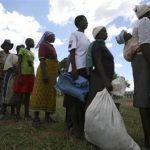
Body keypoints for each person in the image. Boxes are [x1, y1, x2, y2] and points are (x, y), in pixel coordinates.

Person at [67, 15, 90, 139]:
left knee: (83, 101)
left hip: (85, 71)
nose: (86, 22)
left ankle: (82, 127)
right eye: (84, 21)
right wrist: (74, 69)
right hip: (77, 70)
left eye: (87, 20)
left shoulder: (86, 38)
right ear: (78, 23)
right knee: (75, 102)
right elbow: (72, 52)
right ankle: (75, 129)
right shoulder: (74, 35)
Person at [30, 31, 58, 128]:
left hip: (52, 72)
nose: (55, 37)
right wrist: (45, 74)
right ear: (48, 37)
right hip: (44, 70)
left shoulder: (51, 46)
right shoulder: (43, 45)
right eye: (53, 36)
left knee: (49, 93)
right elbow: (42, 60)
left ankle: (47, 116)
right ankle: (36, 118)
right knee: (40, 91)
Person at [132, 4, 150, 149]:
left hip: (144, 60)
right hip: (143, 60)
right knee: (144, 101)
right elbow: (145, 46)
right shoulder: (144, 21)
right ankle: (148, 141)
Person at [85, 26, 114, 109]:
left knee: (99, 104)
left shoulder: (101, 45)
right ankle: (89, 121)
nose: (106, 33)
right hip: (99, 78)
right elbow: (98, 62)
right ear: (98, 34)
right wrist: (105, 80)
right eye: (104, 31)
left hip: (101, 78)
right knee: (94, 103)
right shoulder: (97, 44)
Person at [14, 38, 35, 121]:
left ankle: (26, 114)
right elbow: (19, 62)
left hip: (30, 75)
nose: (33, 43)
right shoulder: (22, 50)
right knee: (20, 95)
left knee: (27, 96)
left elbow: (31, 64)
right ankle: (17, 114)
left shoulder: (32, 53)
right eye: (32, 42)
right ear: (27, 42)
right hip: (23, 74)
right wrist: (20, 75)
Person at [0, 39, 14, 119]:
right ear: (4, 45)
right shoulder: (0, 53)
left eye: (9, 45)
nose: (7, 46)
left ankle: (3, 109)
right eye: (6, 45)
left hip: (8, 75)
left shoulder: (11, 55)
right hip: (1, 74)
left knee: (5, 91)